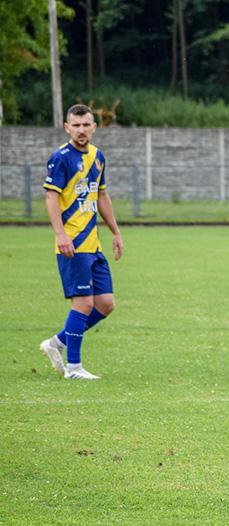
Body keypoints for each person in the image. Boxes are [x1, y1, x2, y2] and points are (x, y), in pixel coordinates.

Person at [39, 104, 123, 380]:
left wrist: (116, 232)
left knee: (106, 303)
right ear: (67, 128)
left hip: (93, 245)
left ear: (94, 127)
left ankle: (57, 343)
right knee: (84, 304)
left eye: (86, 125)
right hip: (72, 245)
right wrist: (60, 234)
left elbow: (101, 195)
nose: (81, 130)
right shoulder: (61, 158)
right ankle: (73, 367)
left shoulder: (98, 157)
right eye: (76, 125)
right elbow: (51, 197)